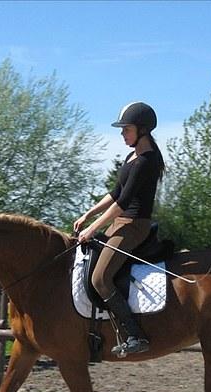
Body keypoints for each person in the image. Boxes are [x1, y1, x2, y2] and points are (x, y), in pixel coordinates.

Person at [74, 102, 165, 356]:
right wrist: (87, 214)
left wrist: (93, 229)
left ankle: (136, 335)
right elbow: (115, 194)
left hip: (135, 226)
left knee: (100, 278)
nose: (122, 134)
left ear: (142, 130)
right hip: (119, 223)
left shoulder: (147, 161)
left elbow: (123, 203)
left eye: (127, 129)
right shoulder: (132, 157)